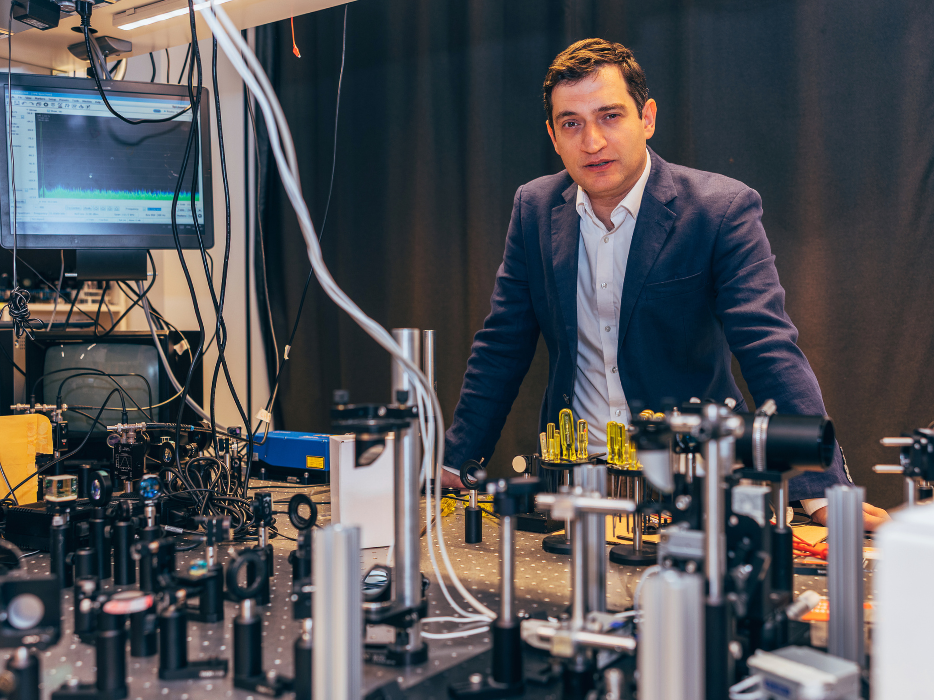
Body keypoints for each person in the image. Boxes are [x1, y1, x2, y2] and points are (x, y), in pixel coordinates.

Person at [441, 38, 888, 530]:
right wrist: (456, 461)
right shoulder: (534, 208)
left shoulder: (720, 209)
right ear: (553, 135)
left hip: (698, 484)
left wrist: (819, 490)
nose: (591, 141)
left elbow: (767, 346)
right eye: (572, 123)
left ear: (647, 118)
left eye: (610, 116)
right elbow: (502, 344)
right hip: (576, 485)